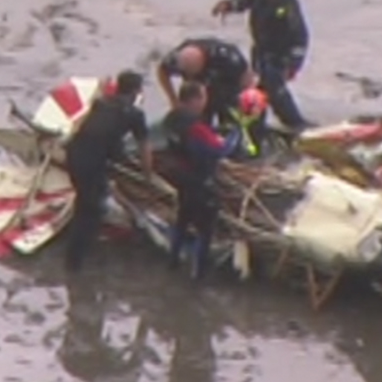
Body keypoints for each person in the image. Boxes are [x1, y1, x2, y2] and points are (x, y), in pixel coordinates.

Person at [64, 71, 153, 272]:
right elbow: (145, 147)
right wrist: (147, 176)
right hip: (90, 163)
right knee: (90, 209)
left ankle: (83, 250)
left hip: (74, 154)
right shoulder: (134, 114)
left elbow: (100, 130)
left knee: (88, 201)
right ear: (136, 91)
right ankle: (74, 263)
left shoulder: (102, 103)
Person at [212, 0, 311, 130]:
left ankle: (294, 123)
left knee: (275, 89)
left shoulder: (288, 6)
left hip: (281, 55)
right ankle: (257, 122)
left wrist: (293, 64)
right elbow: (245, 1)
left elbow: (300, 37)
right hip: (261, 52)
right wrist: (229, 5)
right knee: (261, 89)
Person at [162, 82, 240, 279]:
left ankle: (173, 261)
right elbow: (218, 150)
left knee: (182, 219)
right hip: (200, 180)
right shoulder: (196, 126)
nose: (206, 101)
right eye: (203, 96)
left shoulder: (171, 119)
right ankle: (198, 274)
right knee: (205, 229)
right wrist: (235, 136)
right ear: (194, 100)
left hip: (180, 176)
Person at [156, 37, 255, 127]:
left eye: (194, 74)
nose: (190, 76)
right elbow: (162, 71)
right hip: (200, 94)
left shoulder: (225, 56)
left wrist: (247, 103)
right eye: (188, 74)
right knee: (196, 126)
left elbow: (246, 77)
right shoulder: (179, 57)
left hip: (227, 90)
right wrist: (173, 100)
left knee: (232, 125)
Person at [225, 86, 269, 159]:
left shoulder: (258, 105)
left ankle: (253, 152)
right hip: (242, 109)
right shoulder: (238, 102)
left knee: (251, 136)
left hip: (254, 110)